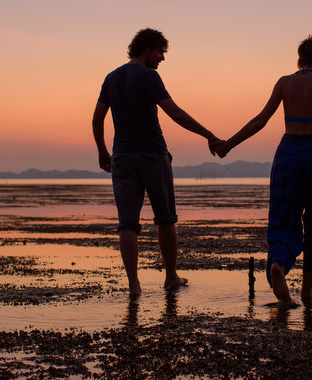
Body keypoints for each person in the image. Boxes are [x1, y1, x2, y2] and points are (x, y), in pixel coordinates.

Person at [216, 34, 312, 306]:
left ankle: (278, 264)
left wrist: (229, 143)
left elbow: (261, 119)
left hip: (288, 155)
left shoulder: (285, 83)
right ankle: (307, 292)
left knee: (284, 218)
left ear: (299, 60)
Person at [92, 28, 221, 297]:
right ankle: (171, 277)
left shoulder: (111, 78)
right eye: (161, 51)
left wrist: (103, 153)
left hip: (122, 157)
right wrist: (209, 135)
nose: (162, 58)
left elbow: (97, 118)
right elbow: (173, 112)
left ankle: (134, 285)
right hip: (152, 155)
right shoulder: (149, 76)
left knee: (127, 224)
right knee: (165, 219)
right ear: (148, 49)